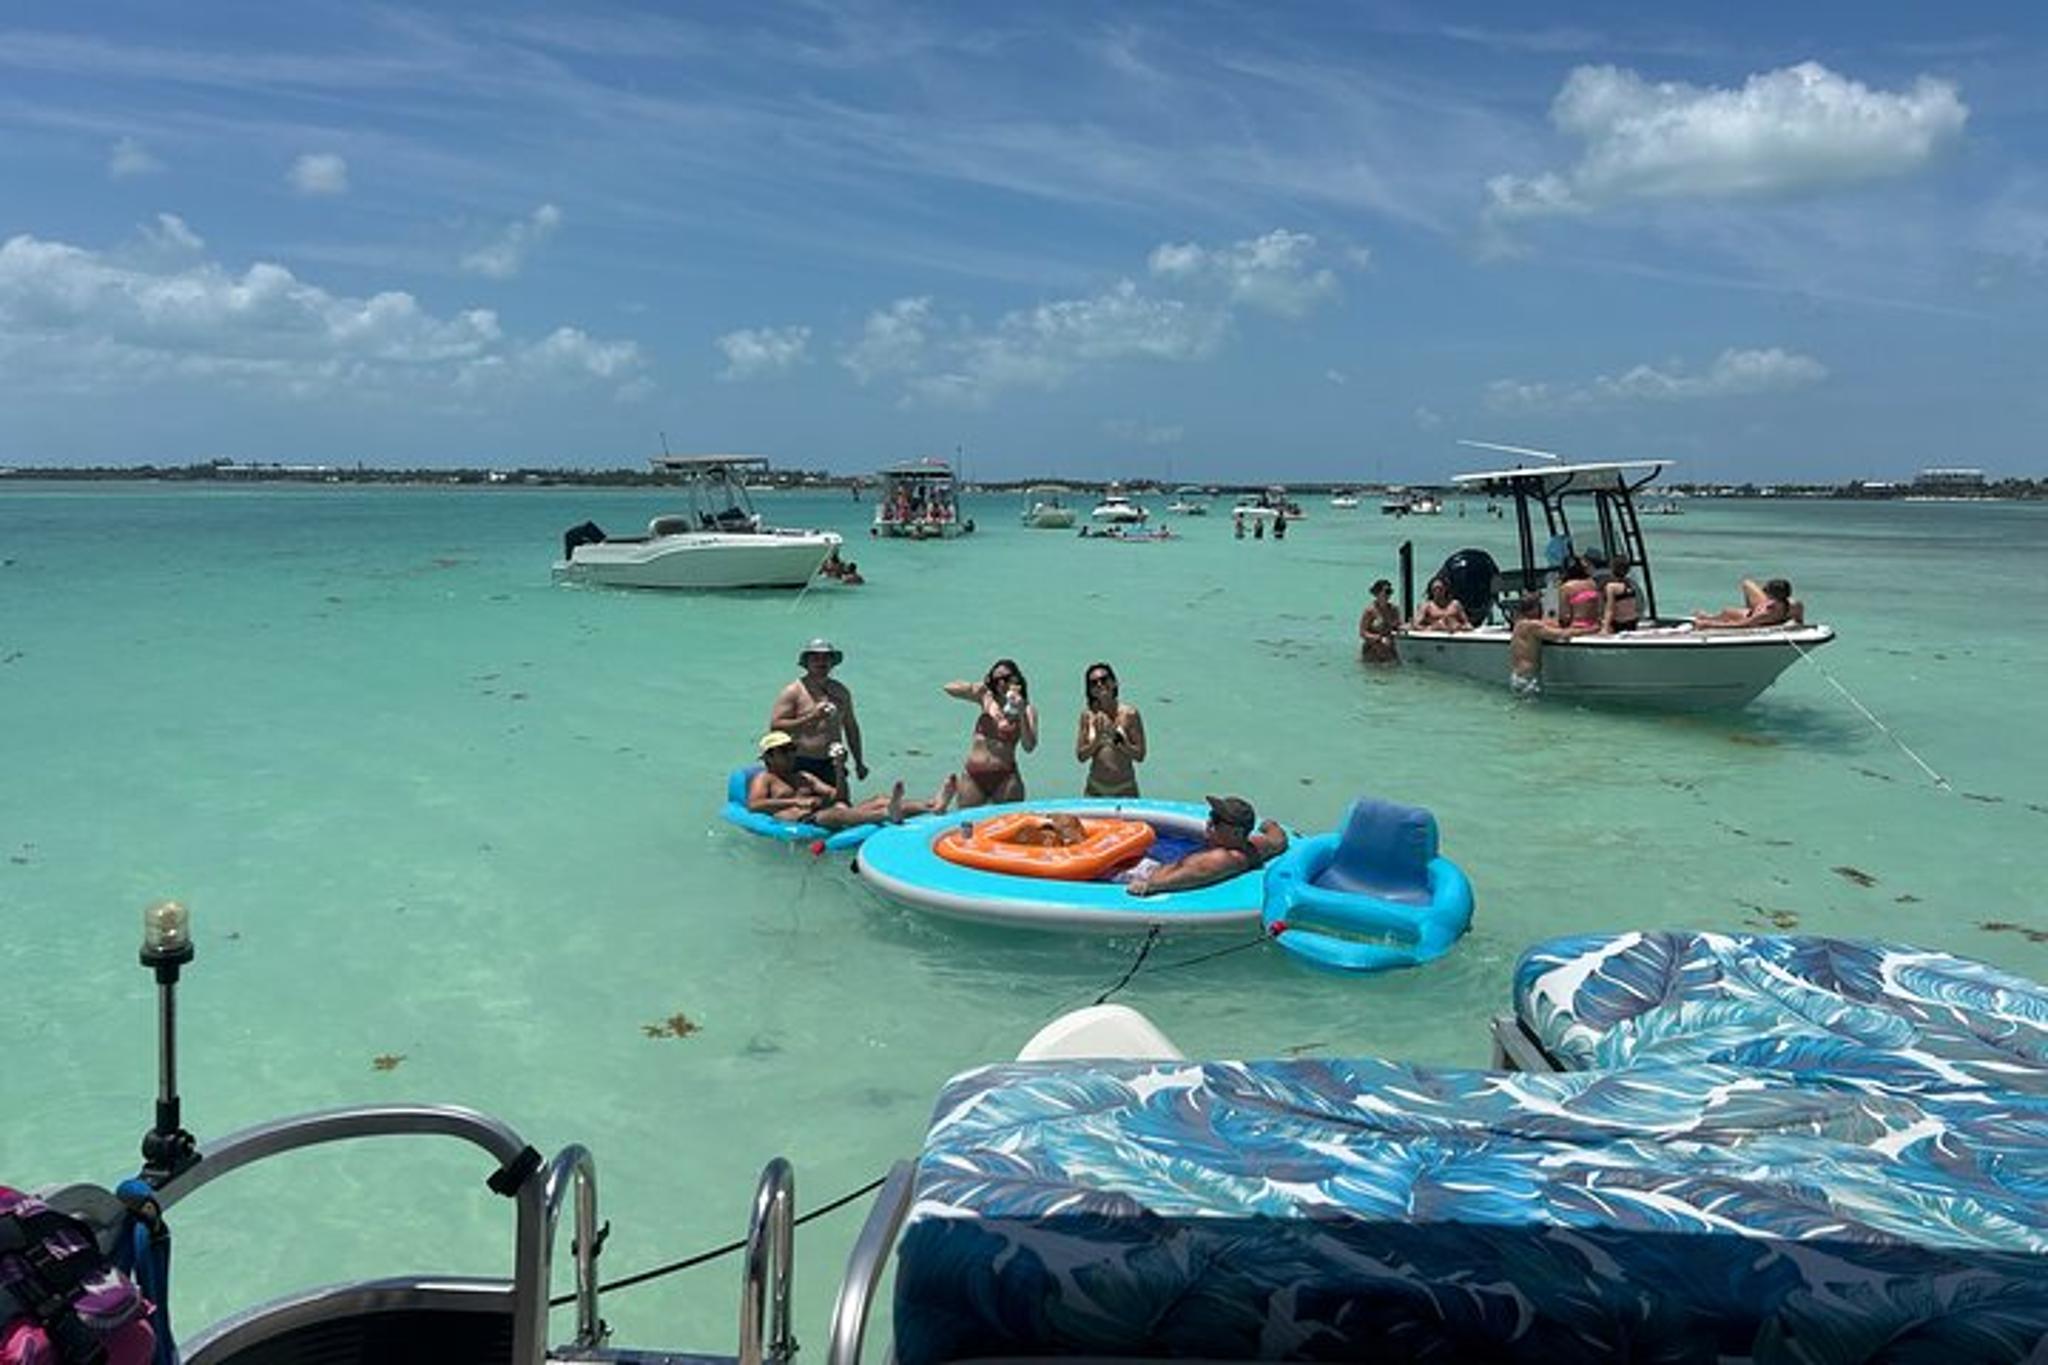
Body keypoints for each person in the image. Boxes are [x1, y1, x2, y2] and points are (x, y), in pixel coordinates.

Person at [747, 733, 955, 830]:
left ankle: (932, 805)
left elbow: (839, 796)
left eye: (792, 749)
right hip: (805, 820)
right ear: (768, 757)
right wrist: (794, 803)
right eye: (783, 751)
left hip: (822, 812)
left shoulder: (803, 777)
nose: (791, 755)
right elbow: (754, 805)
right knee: (836, 812)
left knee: (880, 798)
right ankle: (887, 814)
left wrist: (838, 767)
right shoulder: (765, 779)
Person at [1126, 796, 1288, 897]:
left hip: (1143, 874)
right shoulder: (1255, 846)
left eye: (1217, 820)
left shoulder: (1222, 858)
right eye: (1212, 815)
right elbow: (1278, 840)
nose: (1209, 821)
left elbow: (1191, 876)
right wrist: (1269, 825)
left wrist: (1150, 886)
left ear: (1237, 832)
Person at [768, 639, 868, 801]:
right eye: (815, 658)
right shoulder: (793, 692)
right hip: (801, 762)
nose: (821, 662)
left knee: (841, 805)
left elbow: (851, 727)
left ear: (832, 663)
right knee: (810, 810)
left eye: (826, 658)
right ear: (806, 663)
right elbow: (776, 726)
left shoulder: (841, 691)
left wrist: (859, 762)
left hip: (833, 762)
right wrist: (812, 717)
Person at [944, 658, 1039, 807]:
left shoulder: (1027, 709)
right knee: (967, 823)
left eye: (1007, 679)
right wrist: (976, 687)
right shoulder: (985, 698)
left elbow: (1029, 746)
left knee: (1011, 825)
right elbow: (948, 688)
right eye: (997, 679)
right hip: (974, 775)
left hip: (1006, 776)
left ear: (1017, 679)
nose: (1001, 683)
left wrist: (1021, 714)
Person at [1076, 662, 1147, 797]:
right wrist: (1097, 740)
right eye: (1094, 682)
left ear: (1114, 683)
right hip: (1095, 788)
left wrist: (1120, 742)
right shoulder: (1088, 716)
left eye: (1104, 679)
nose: (1099, 684)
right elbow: (1081, 756)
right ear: (1090, 690)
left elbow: (1140, 755)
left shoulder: (1130, 714)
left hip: (1125, 788)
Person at [1509, 594, 1570, 699]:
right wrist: (1587, 629)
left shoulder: (1518, 624)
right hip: (1529, 677)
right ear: (1534, 609)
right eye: (1540, 606)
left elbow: (1544, 625)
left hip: (1517, 676)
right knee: (1532, 710)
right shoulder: (1533, 626)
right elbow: (1561, 635)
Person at [1693, 577, 1802, 630]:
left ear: (1772, 596)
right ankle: (1708, 617)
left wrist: (1709, 625)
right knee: (1747, 583)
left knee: (1727, 612)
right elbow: (1799, 621)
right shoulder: (1796, 604)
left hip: (1754, 616)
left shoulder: (1766, 615)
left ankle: (1709, 618)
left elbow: (1743, 625)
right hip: (1770, 609)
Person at [1358, 579, 1402, 664]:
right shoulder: (1370, 611)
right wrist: (1378, 638)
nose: (1388, 595)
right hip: (1372, 651)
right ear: (1377, 593)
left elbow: (1398, 627)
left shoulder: (1394, 610)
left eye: (1390, 592)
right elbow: (1362, 633)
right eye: (1386, 591)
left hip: (1390, 651)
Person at [1557, 555, 1603, 632]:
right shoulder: (1593, 583)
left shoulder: (1566, 587)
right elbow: (1600, 608)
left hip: (1578, 628)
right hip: (1595, 626)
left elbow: (1565, 616)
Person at [1602, 553, 1642, 633]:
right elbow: (1638, 605)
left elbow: (1610, 610)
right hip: (1632, 622)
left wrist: (1605, 628)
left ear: (1612, 569)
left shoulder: (1611, 587)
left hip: (1619, 624)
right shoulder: (1632, 584)